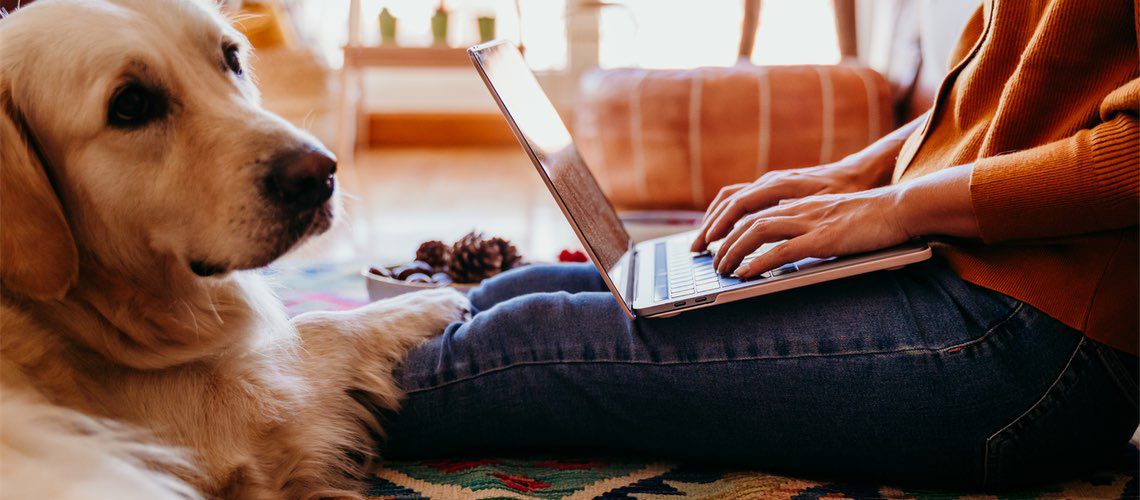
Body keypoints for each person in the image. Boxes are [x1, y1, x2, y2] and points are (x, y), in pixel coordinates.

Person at [379, 0, 1138, 487]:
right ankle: (316, 354)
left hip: (1038, 345)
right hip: (961, 266)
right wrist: (847, 177)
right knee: (517, 290)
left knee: (528, 339)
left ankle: (265, 408)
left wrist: (899, 207)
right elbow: (1003, 102)